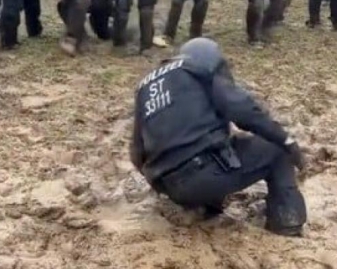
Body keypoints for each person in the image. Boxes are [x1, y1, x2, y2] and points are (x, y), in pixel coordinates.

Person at [130, 37, 306, 237]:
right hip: (204, 176)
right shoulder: (199, 69)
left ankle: (206, 208)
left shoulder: (145, 88)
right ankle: (287, 224)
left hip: (169, 187)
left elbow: (136, 153)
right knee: (277, 150)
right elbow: (244, 111)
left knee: (216, 146)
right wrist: (287, 141)